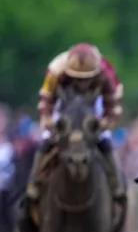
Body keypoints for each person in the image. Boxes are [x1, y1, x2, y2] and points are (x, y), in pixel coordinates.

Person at [24, 43, 125, 211]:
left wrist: (105, 122)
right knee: (46, 141)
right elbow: (45, 98)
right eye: (77, 78)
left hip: (92, 110)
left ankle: (116, 185)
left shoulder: (105, 72)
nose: (82, 83)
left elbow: (112, 104)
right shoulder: (56, 70)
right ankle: (33, 183)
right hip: (62, 107)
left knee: (105, 141)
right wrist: (48, 120)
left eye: (86, 79)